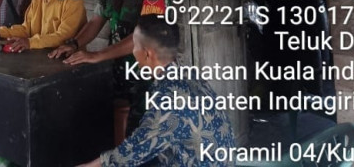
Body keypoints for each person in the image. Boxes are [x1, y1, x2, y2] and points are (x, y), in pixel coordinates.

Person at [77, 15, 235, 167]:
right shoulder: (188, 75)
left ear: (147, 54)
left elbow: (132, 153)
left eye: (135, 46)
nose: (133, 52)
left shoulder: (169, 99)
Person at [50, 0, 166, 135]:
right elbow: (96, 21)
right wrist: (74, 44)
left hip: (146, 77)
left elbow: (143, 37)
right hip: (118, 72)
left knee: (143, 130)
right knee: (116, 123)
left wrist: (96, 55)